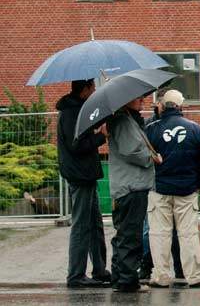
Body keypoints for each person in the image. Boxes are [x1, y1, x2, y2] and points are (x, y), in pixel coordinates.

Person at [143, 90, 200, 288]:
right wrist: (199, 182)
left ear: (162, 106)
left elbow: (144, 156)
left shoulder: (151, 129)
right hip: (187, 190)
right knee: (188, 234)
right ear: (181, 106)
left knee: (159, 234)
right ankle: (195, 276)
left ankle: (161, 276)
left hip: (159, 190)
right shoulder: (195, 129)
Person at [56, 79, 112, 288]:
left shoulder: (79, 109)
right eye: (93, 88)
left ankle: (99, 269)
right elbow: (76, 145)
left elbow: (91, 122)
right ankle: (76, 275)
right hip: (80, 175)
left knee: (94, 224)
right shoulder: (71, 113)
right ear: (85, 90)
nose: (95, 91)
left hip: (86, 174)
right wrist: (100, 137)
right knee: (81, 225)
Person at [107, 95, 160, 293]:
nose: (143, 100)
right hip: (131, 186)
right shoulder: (123, 121)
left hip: (130, 185)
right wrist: (151, 158)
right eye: (138, 98)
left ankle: (120, 277)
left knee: (125, 233)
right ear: (126, 99)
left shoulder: (127, 119)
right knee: (130, 234)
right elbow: (131, 151)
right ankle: (128, 280)